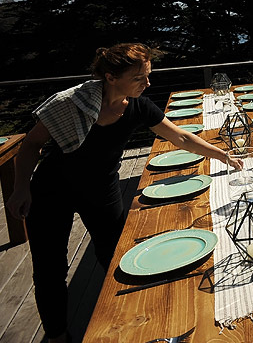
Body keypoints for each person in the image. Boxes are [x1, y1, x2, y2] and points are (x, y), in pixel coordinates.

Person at [7, 43, 240, 343]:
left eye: (148, 75)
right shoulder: (71, 104)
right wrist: (20, 188)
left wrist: (221, 155)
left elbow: (180, 136)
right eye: (140, 77)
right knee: (50, 270)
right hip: (51, 192)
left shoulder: (138, 106)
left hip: (101, 189)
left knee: (116, 255)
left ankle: (131, 318)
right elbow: (29, 147)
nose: (147, 83)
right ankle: (57, 335)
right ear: (110, 77)